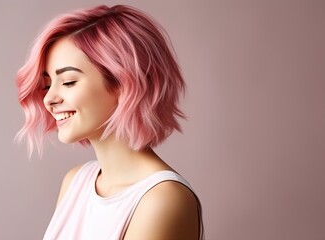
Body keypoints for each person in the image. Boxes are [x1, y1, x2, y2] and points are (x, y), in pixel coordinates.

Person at [15, 4, 204, 240]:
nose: (49, 99)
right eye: (46, 85)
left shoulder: (162, 200)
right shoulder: (76, 182)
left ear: (125, 83)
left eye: (68, 81)